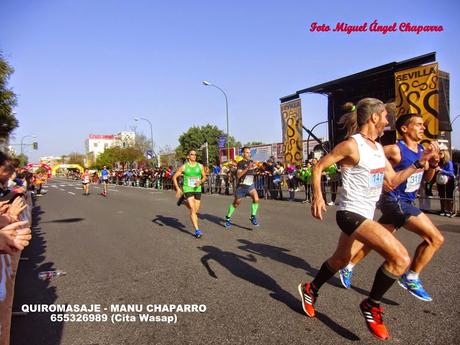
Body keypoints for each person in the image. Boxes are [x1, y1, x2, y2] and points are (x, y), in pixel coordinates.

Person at [297, 98, 438, 340]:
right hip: (349, 213)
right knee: (400, 258)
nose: (387, 121)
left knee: (341, 259)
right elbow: (318, 166)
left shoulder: (377, 148)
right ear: (373, 117)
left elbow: (392, 182)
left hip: (365, 214)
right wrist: (317, 197)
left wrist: (419, 162)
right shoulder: (352, 145)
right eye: (384, 116)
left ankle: (310, 289)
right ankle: (371, 305)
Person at [338, 113, 444, 303]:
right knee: (435, 238)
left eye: (423, 125)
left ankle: (349, 266)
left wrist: (433, 165)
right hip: (394, 201)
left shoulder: (422, 150)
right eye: (418, 124)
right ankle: (411, 277)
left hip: (407, 202)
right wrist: (383, 180)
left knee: (374, 241)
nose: (422, 128)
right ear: (404, 129)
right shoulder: (395, 149)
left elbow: (426, 179)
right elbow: (371, 156)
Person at [172, 150, 207, 238]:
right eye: (192, 154)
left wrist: (201, 181)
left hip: (197, 189)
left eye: (195, 155)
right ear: (188, 156)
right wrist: (178, 188)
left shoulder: (200, 166)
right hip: (188, 188)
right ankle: (197, 230)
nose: (194, 156)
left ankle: (183, 202)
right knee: (192, 208)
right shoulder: (184, 167)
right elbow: (174, 177)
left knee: (195, 211)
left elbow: (205, 176)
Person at [224, 147, 260, 228]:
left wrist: (256, 171)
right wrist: (248, 168)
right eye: (247, 152)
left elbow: (252, 173)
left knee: (256, 199)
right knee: (236, 203)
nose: (248, 154)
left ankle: (253, 216)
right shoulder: (240, 163)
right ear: (243, 154)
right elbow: (239, 175)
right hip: (242, 186)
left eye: (249, 152)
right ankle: (228, 218)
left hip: (250, 185)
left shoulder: (251, 162)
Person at [436, 148, 456, 217]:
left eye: (441, 153)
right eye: (439, 153)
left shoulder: (449, 163)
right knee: (441, 195)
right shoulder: (439, 162)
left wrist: (441, 170)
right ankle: (443, 210)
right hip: (440, 181)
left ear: (445, 154)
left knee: (448, 196)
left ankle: (449, 210)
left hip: (449, 182)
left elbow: (451, 173)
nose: (439, 155)